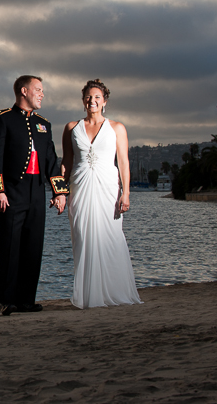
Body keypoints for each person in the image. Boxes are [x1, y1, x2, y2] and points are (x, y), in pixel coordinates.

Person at [0, 75, 68, 316]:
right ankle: (5, 300)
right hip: (12, 192)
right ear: (24, 91)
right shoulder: (1, 119)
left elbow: (51, 160)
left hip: (36, 193)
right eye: (38, 90)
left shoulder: (44, 124)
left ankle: (26, 300)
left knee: (33, 246)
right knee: (9, 246)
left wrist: (59, 193)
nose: (42, 94)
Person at [61, 79, 142, 309]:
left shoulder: (117, 128)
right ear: (83, 100)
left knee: (111, 237)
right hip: (80, 187)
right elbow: (66, 161)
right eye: (88, 97)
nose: (92, 101)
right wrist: (61, 191)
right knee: (83, 236)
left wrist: (125, 194)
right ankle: (89, 295)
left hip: (108, 188)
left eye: (97, 97)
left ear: (104, 101)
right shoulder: (70, 128)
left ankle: (114, 291)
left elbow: (124, 163)